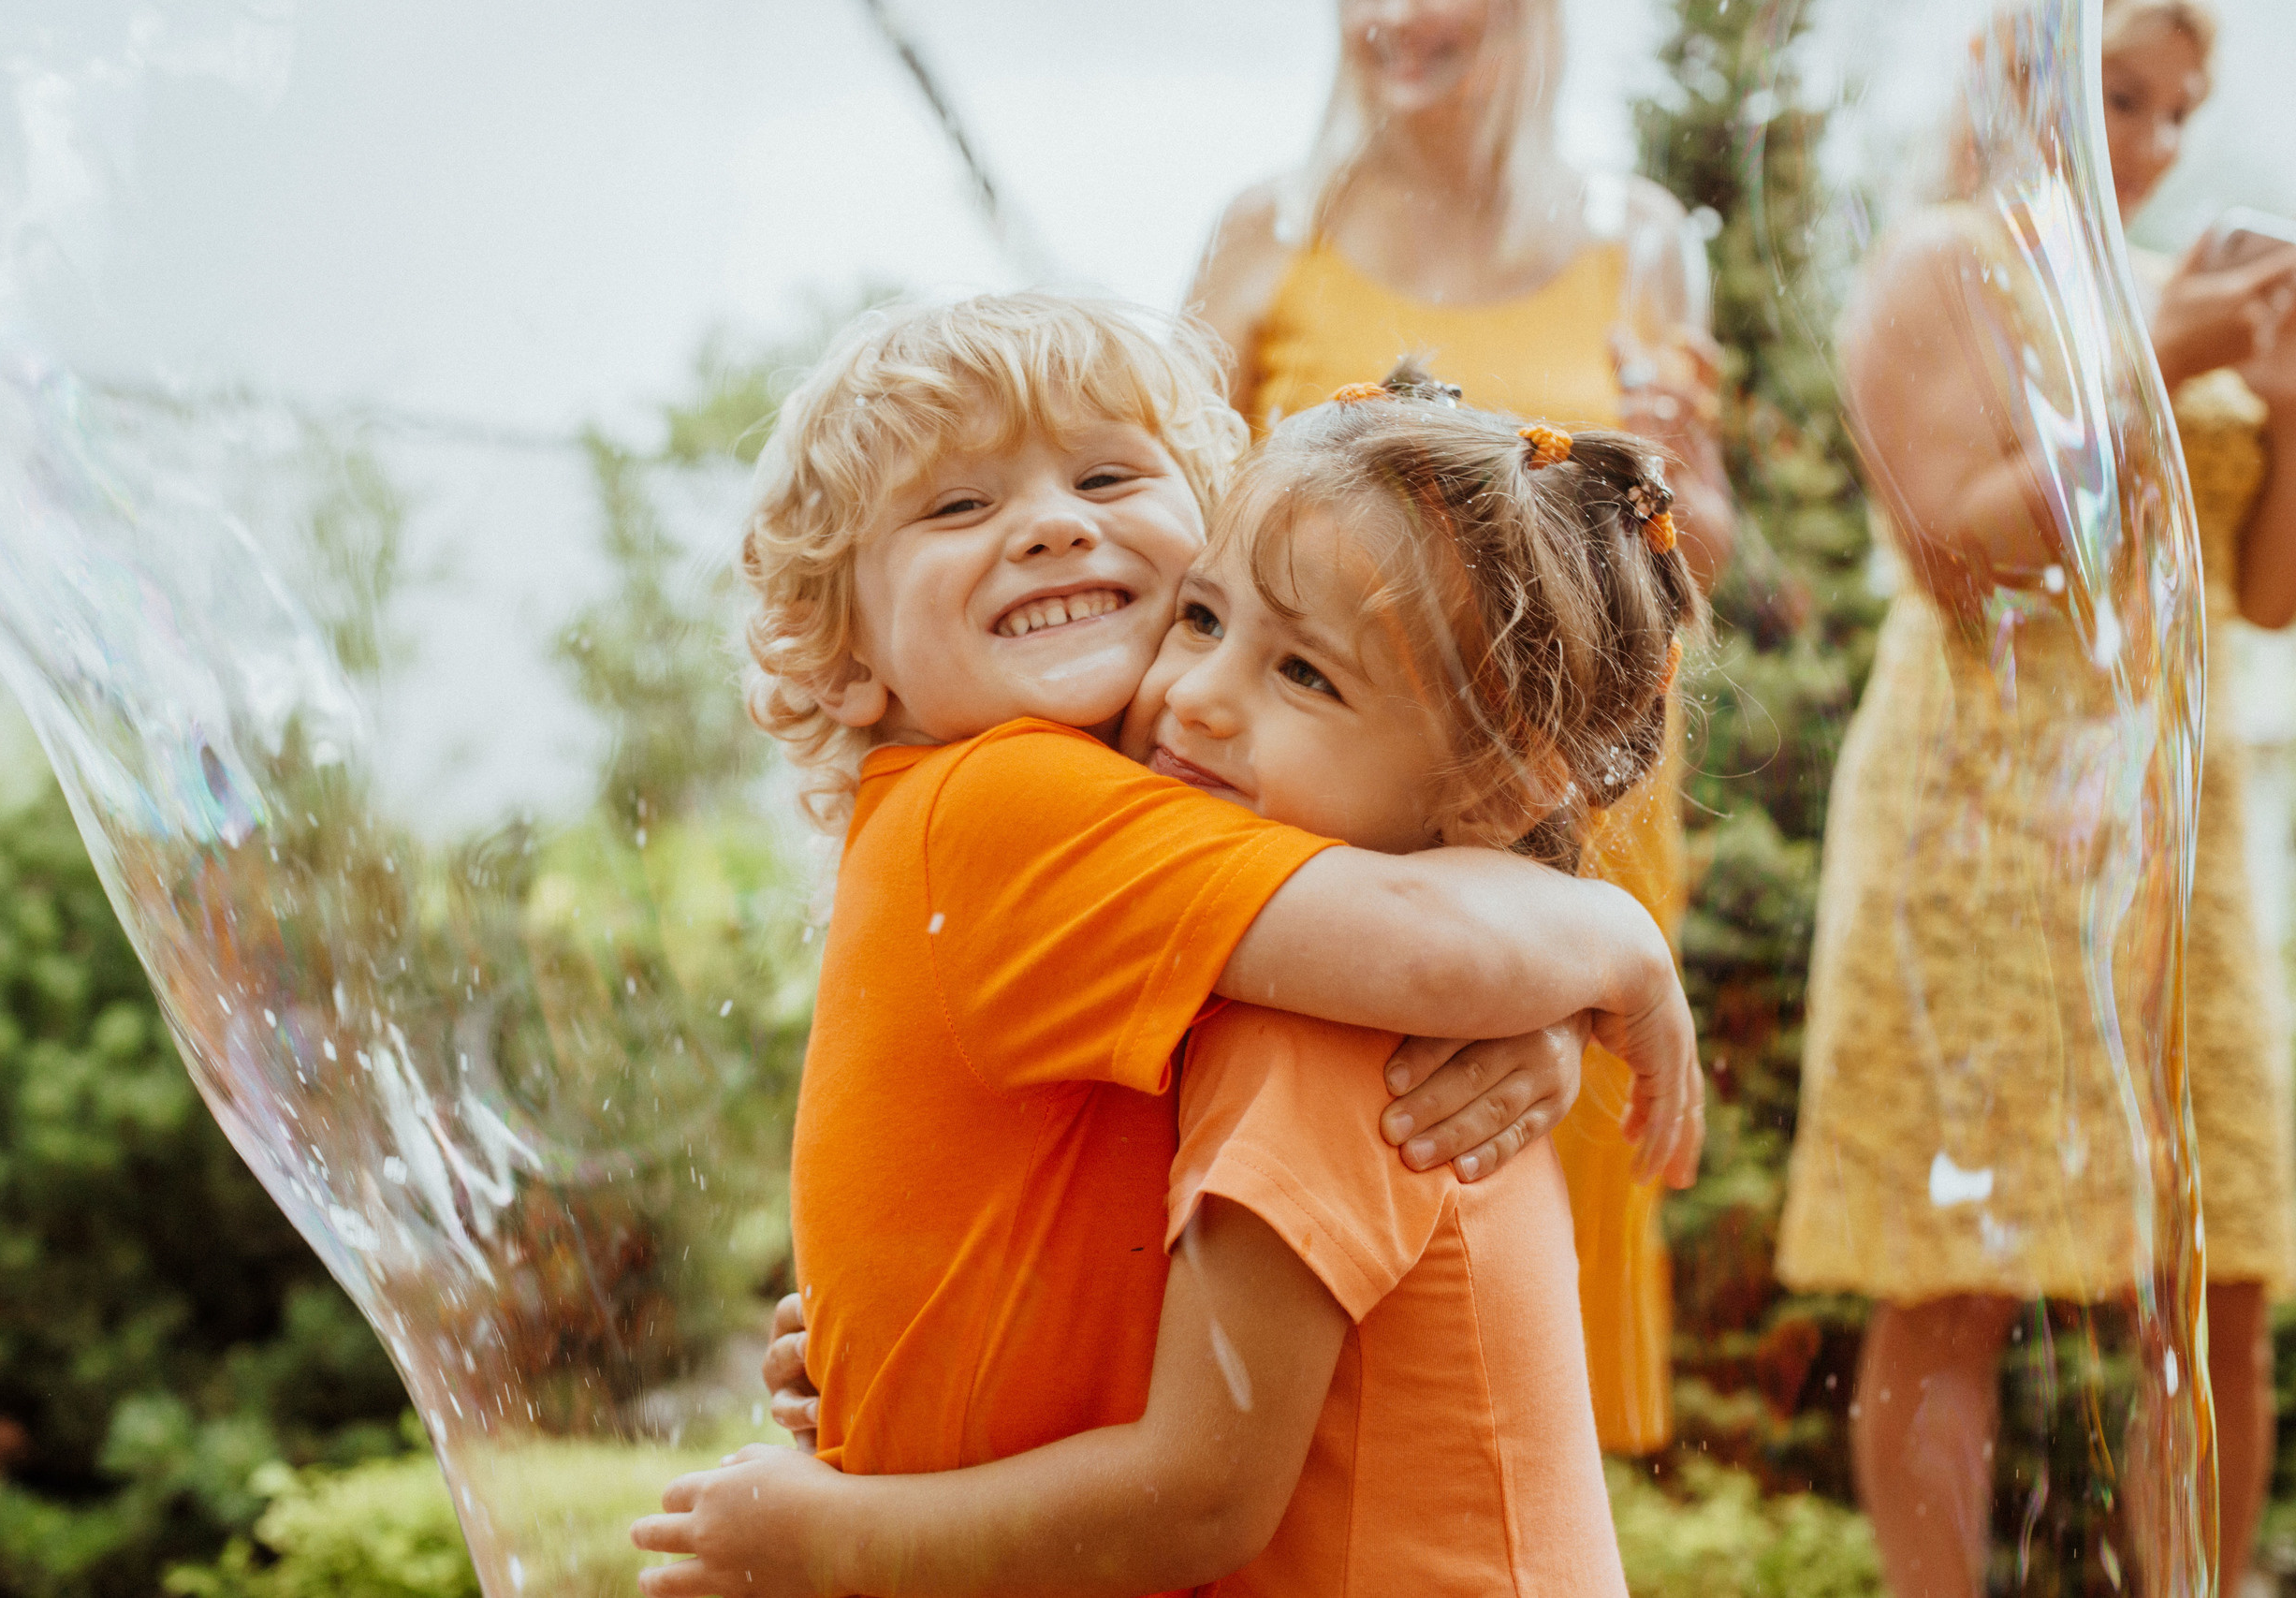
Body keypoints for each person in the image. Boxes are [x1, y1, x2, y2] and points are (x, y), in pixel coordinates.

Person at [634, 368, 1696, 1597]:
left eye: (1306, 674)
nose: (1198, 697)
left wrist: (828, 1546)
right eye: (1202, 620)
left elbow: (1196, 1495)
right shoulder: (1284, 956)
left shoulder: (1332, 1013)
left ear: (1500, 785)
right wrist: (910, 1331)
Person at [1776, 2, 2296, 1592]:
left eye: (2166, 112)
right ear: (2012, 74)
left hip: (2168, 817)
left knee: (2217, 1271)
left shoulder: (2169, 294)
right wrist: (2176, 358)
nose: (2135, 140)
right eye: (2110, 93)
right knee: (1956, 1264)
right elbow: (1956, 553)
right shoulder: (1937, 264)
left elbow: (2264, 595)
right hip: (1982, 806)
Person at [1184, 0, 1733, 1453]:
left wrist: (1687, 477)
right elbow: (1176, 510)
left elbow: (1691, 553)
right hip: (1308, 789)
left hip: (1572, 819)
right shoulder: (1265, 233)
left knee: (1509, 1232)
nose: (1400, 17)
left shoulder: (1644, 240)